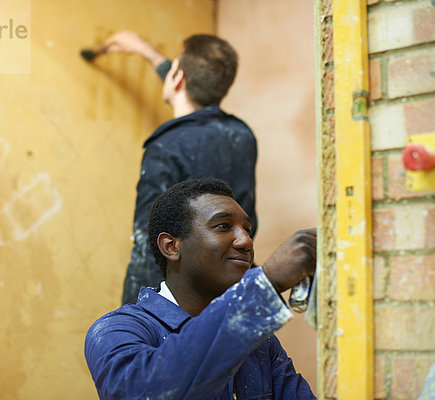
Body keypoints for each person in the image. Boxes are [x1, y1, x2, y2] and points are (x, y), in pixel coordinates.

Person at [85, 178, 316, 399]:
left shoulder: (261, 343)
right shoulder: (117, 330)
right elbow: (141, 391)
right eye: (223, 226)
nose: (245, 241)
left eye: (247, 229)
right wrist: (267, 283)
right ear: (171, 246)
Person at [103, 31, 258, 304]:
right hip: (230, 290)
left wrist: (135, 316)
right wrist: (148, 53)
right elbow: (198, 90)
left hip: (182, 303)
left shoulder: (166, 146)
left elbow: (148, 243)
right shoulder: (241, 135)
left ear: (178, 79)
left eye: (173, 68)